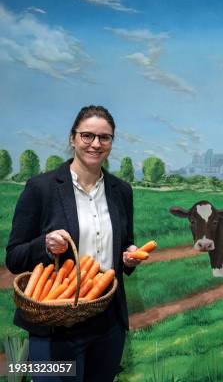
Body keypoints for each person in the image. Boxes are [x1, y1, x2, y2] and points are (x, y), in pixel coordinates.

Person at [6, 105, 142, 381]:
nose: (96, 144)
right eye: (87, 135)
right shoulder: (41, 188)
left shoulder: (121, 191)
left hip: (107, 325)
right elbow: (14, 257)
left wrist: (129, 256)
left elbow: (125, 244)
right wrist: (45, 246)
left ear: (111, 143)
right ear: (72, 138)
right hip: (54, 329)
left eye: (104, 137)